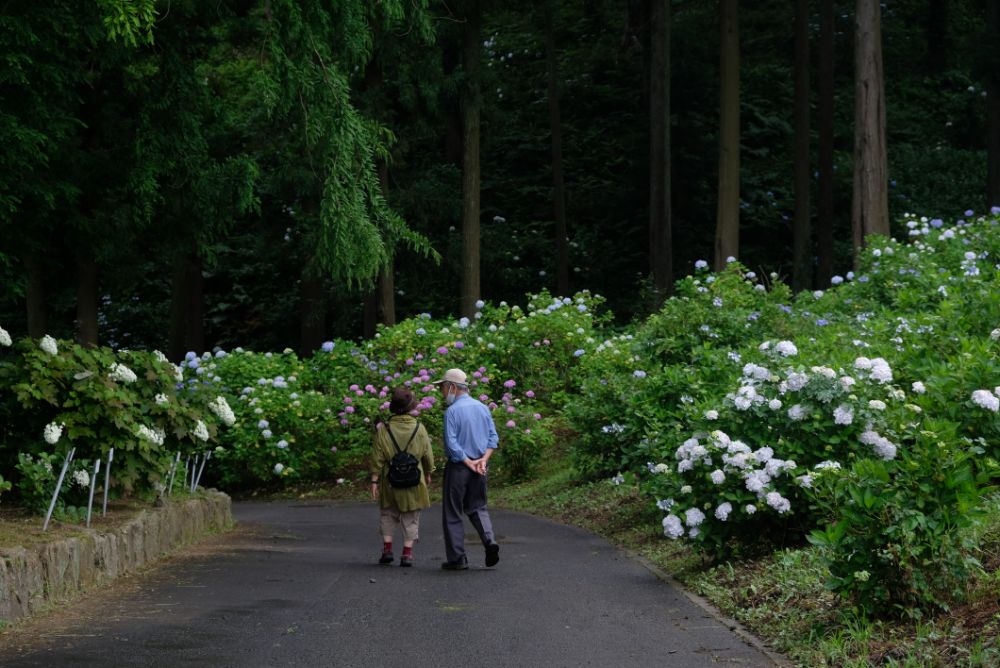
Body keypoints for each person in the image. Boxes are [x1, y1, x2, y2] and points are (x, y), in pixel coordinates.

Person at [434, 368, 500, 570]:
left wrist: (468, 461)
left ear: (452, 387)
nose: (442, 393)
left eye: (443, 388)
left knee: (453, 512)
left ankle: (457, 558)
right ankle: (489, 540)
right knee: (478, 506)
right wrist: (482, 460)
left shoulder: (452, 412)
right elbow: (493, 438)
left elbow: (451, 444)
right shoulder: (482, 407)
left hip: (459, 467)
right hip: (480, 466)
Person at [369, 387, 434, 567]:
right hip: (414, 479)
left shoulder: (384, 430)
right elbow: (428, 455)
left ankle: (387, 550)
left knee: (388, 513)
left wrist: (374, 480)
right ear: (410, 406)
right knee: (411, 515)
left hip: (390, 479)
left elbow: (377, 457)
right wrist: (429, 472)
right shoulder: (419, 428)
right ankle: (407, 554)